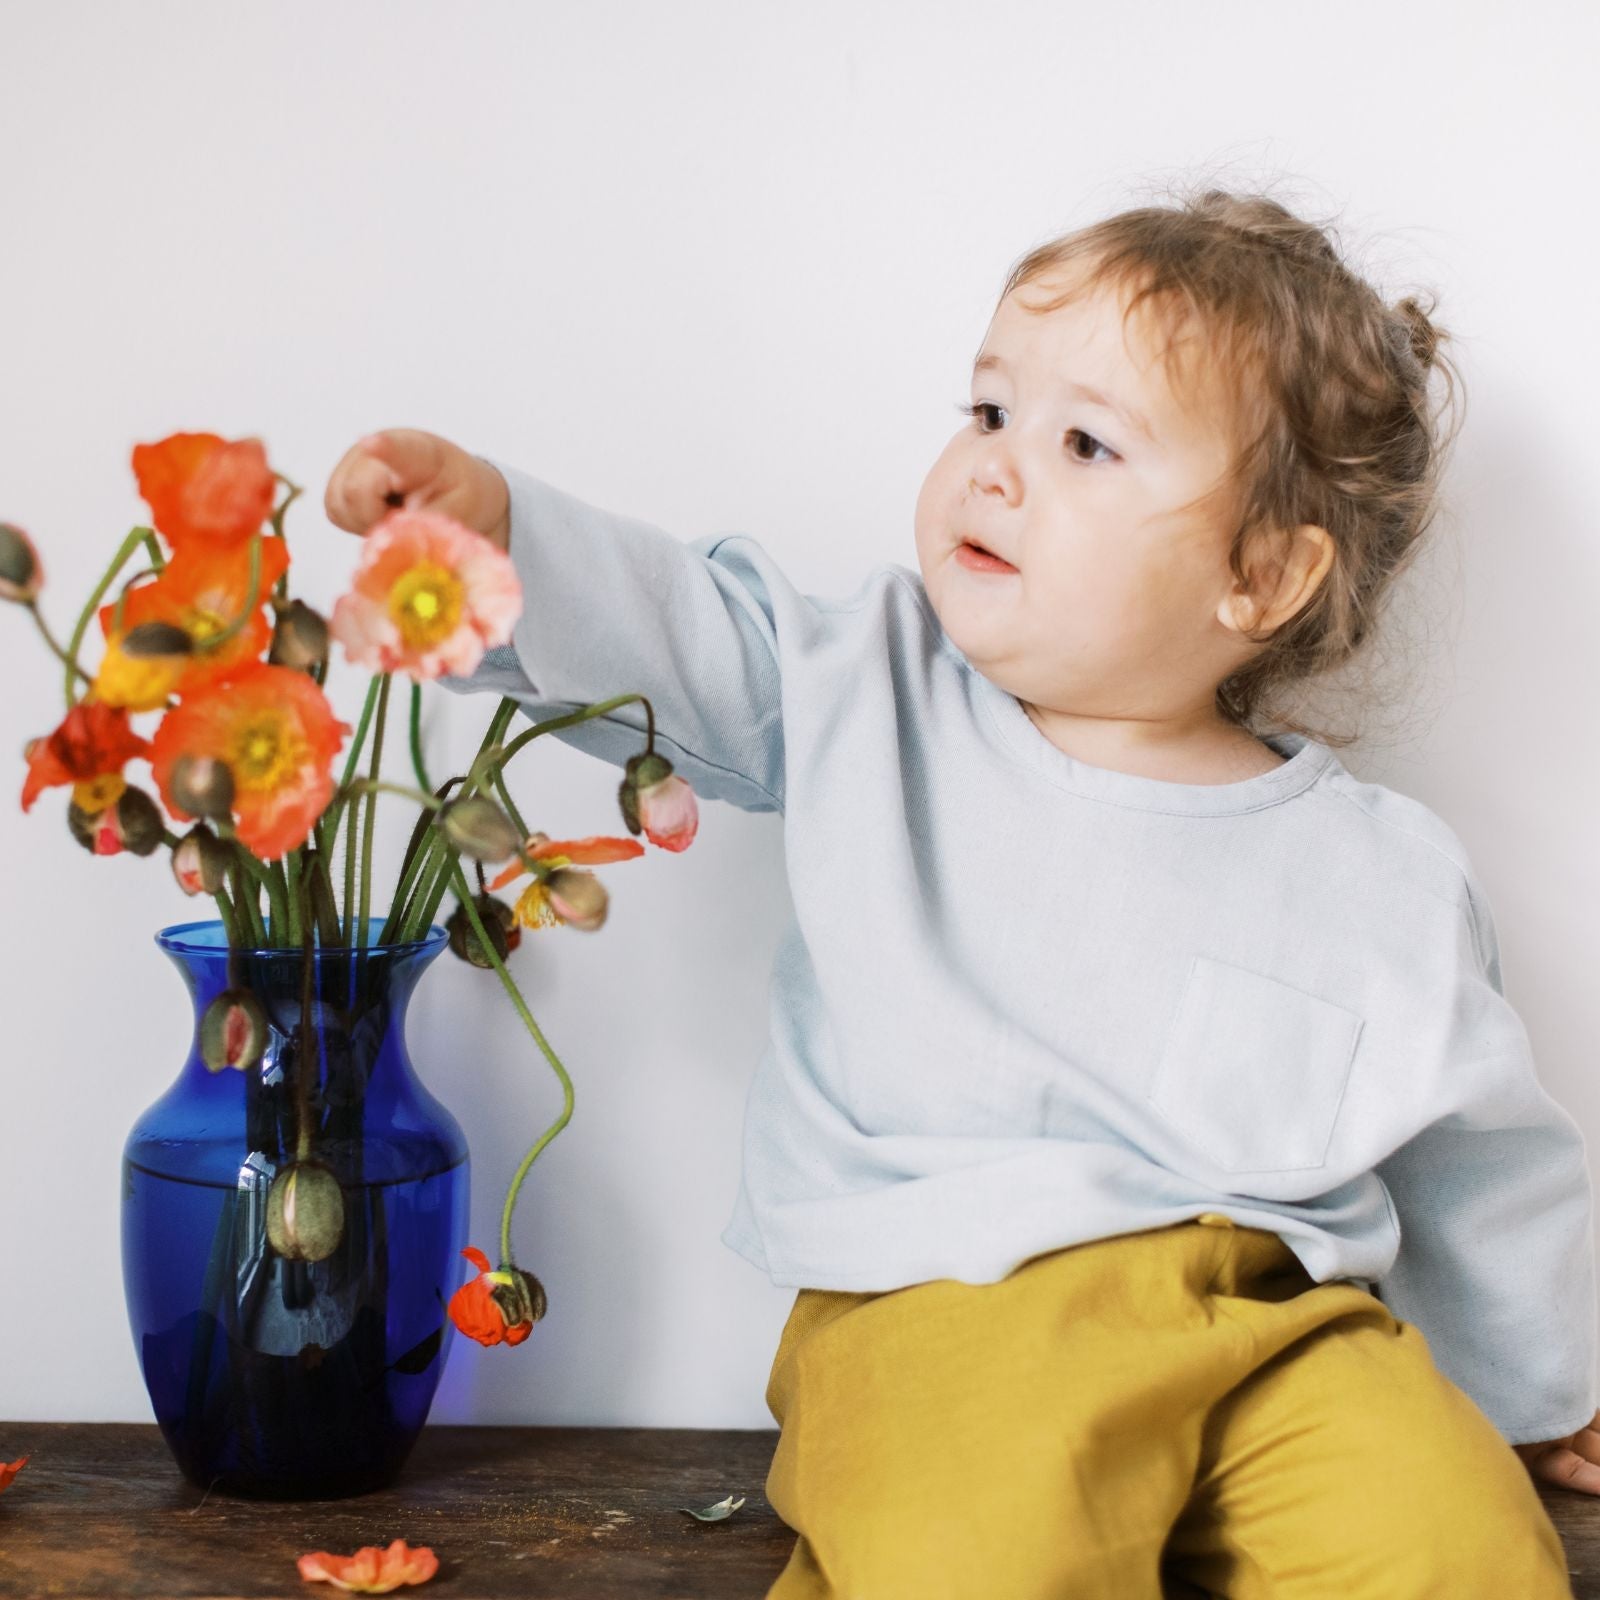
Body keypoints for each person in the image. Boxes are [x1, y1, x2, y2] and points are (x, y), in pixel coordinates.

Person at [324, 185, 1596, 1598]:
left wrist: (1540, 1391)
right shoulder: (872, 689)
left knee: (1457, 1546)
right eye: (989, 412)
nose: (995, 469)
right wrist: (494, 538)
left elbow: (1477, 1151)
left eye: (1085, 442)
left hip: (1280, 1327)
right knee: (981, 1557)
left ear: (1262, 571)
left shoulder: (1382, 871)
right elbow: (685, 633)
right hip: (945, 1306)